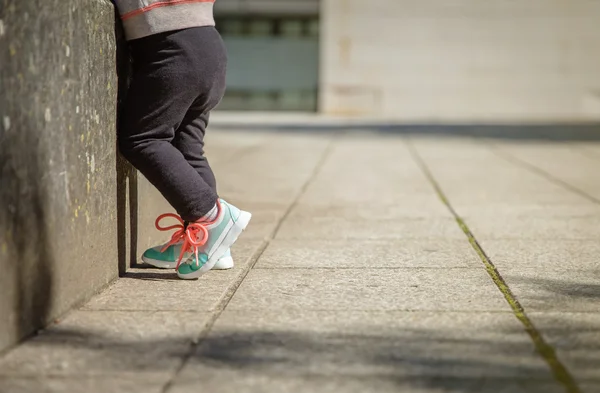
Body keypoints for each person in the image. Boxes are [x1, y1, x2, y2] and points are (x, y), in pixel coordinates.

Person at [114, 0, 251, 279]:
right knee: (187, 148)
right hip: (208, 44)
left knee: (142, 139)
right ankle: (210, 246)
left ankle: (211, 218)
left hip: (169, 47)